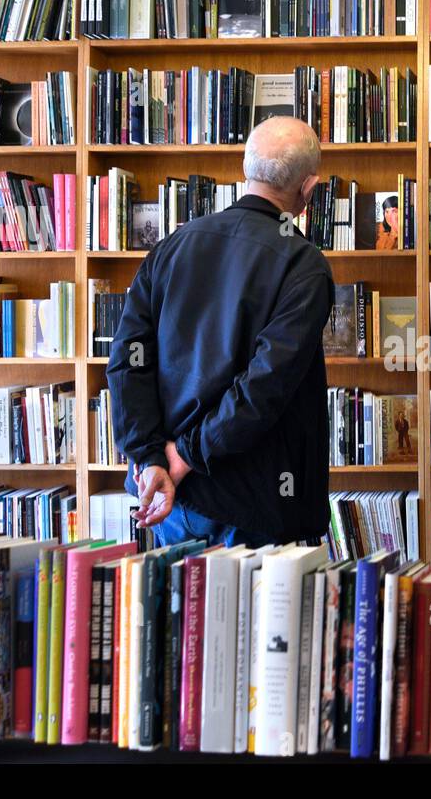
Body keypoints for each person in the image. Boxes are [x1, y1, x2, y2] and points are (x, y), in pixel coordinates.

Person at [107, 116, 334, 548]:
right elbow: (264, 387)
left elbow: (126, 360)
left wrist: (151, 457)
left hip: (169, 499)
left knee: (180, 616)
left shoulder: (172, 245)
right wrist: (182, 457)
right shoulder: (303, 264)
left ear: (245, 169)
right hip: (255, 504)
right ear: (309, 189)